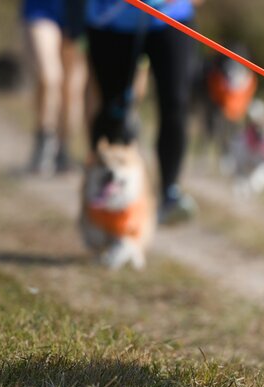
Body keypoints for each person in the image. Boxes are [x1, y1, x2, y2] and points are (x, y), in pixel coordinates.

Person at [85, 0, 199, 225]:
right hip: (110, 18)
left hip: (171, 16)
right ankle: (100, 193)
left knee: (176, 103)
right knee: (113, 109)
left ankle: (169, 192)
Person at [22, 0, 87, 175]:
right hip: (42, 9)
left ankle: (63, 149)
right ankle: (45, 141)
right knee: (49, 77)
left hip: (80, 11)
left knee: (71, 90)